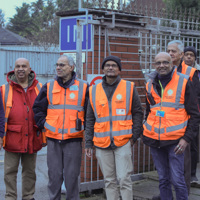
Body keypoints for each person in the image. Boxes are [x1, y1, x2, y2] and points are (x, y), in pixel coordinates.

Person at [85, 55, 143, 200]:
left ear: (119, 69)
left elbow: (138, 112)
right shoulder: (93, 90)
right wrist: (88, 142)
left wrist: (134, 137)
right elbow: (90, 118)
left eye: (114, 65)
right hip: (101, 142)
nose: (110, 67)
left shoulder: (129, 87)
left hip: (123, 141)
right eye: (107, 65)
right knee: (109, 180)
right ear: (103, 69)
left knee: (124, 178)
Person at [143, 52, 199, 200]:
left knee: (178, 180)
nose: (162, 65)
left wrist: (186, 139)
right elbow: (149, 111)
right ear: (154, 65)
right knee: (163, 179)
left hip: (176, 141)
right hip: (155, 140)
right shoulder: (149, 83)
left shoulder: (184, 81)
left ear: (172, 63)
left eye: (165, 62)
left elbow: (194, 114)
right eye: (158, 63)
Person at [33, 54, 89, 200]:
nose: (58, 67)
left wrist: (86, 131)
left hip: (74, 140)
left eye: (62, 65)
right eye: (57, 65)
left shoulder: (83, 87)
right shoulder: (49, 86)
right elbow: (38, 109)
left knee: (72, 178)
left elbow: (90, 113)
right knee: (54, 177)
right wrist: (44, 125)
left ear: (72, 67)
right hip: (53, 140)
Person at [0, 58, 45, 200]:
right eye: (17, 66)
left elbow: (45, 113)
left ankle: (28, 196)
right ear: (13, 69)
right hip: (12, 138)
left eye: (24, 66)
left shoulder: (40, 88)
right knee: (9, 171)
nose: (20, 69)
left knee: (30, 172)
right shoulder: (4, 89)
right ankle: (10, 197)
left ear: (29, 69)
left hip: (32, 137)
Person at [183, 46, 200, 183]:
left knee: (193, 145)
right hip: (181, 114)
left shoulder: (197, 73)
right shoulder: (177, 71)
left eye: (192, 55)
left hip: (194, 114)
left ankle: (192, 174)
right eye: (187, 54)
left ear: (195, 58)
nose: (189, 57)